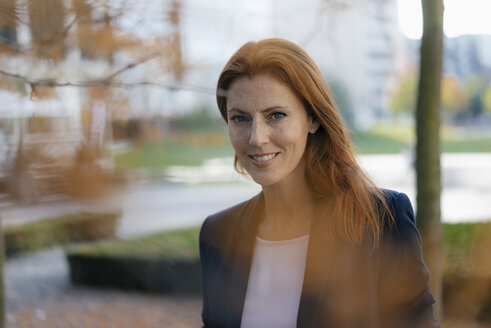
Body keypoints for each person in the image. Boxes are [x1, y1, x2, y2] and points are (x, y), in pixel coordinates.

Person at [199, 38, 440, 328]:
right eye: (240, 118)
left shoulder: (382, 221)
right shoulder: (218, 234)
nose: (257, 138)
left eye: (276, 115)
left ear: (312, 118)